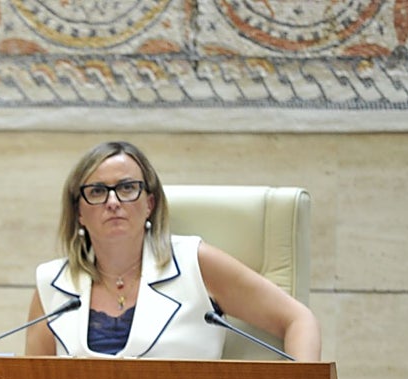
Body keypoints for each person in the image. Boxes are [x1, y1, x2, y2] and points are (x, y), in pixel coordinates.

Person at [25, 140, 322, 361]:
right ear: (78, 211)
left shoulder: (194, 262)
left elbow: (298, 319)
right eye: (97, 191)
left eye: (127, 188)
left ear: (150, 203)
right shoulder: (52, 284)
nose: (113, 202)